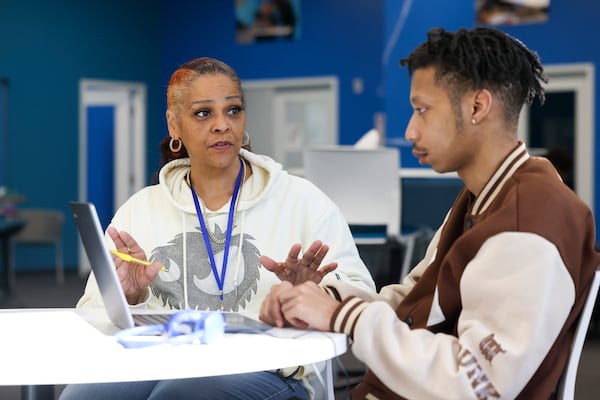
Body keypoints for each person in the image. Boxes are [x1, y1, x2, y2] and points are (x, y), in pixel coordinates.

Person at [259, 27, 600, 399]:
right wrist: (323, 298)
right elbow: (413, 303)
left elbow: (480, 384)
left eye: (422, 110)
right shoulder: (481, 197)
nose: (409, 131)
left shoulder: (530, 219)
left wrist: (343, 318)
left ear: (476, 106)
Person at [60, 57, 375, 400]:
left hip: (273, 371)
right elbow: (90, 313)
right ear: (173, 125)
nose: (222, 125)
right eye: (203, 113)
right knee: (82, 395)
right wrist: (130, 297)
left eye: (233, 110)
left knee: (179, 396)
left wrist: (314, 294)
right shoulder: (141, 209)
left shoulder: (302, 201)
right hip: (163, 362)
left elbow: (364, 294)